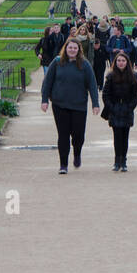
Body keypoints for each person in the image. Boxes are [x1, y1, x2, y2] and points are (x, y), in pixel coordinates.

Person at [40, 37, 100, 173]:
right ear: (65, 49)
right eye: (70, 47)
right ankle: (63, 164)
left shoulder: (84, 65)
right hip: (59, 104)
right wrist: (44, 100)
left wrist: (95, 103)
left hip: (79, 105)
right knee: (63, 135)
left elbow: (92, 85)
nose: (72, 50)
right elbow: (47, 82)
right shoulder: (57, 62)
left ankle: (77, 153)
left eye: (75, 48)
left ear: (78, 50)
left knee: (78, 135)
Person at [101, 50, 137, 171]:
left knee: (125, 136)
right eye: (118, 60)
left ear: (127, 62)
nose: (121, 63)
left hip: (127, 109)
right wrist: (111, 107)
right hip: (115, 108)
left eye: (123, 61)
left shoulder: (133, 76)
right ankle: (117, 160)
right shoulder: (111, 76)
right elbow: (105, 94)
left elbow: (136, 95)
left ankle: (124, 160)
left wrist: (130, 107)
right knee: (117, 136)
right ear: (115, 62)